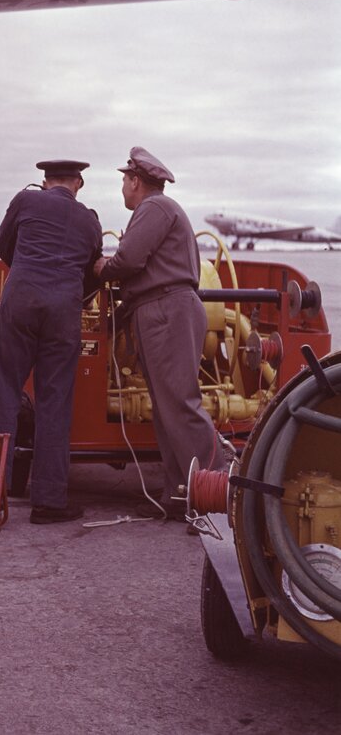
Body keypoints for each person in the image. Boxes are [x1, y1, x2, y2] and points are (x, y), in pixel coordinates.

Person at [94, 146, 224, 519]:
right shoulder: (157, 210)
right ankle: (181, 492)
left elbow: (129, 260)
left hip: (167, 311)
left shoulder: (153, 208)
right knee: (167, 410)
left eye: (124, 180)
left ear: (136, 181)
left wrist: (102, 266)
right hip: (161, 310)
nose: (122, 187)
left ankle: (215, 495)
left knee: (180, 404)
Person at [0, 159, 103, 525]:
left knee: (4, 392)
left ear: (45, 181)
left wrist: (28, 273)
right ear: (78, 183)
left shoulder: (25, 200)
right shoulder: (90, 219)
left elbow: (4, 247)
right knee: (55, 402)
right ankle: (49, 502)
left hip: (20, 302)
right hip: (63, 312)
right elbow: (91, 270)